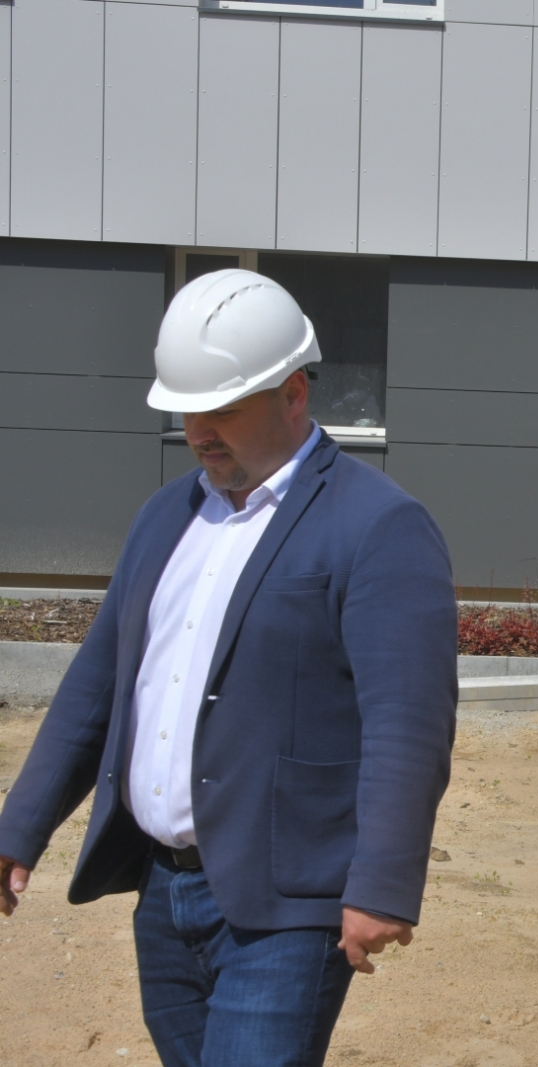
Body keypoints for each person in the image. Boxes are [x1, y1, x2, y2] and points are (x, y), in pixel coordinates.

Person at [0, 269, 458, 1067]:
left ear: (293, 393)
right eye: (187, 410)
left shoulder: (378, 524)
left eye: (223, 409)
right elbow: (100, 684)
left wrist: (383, 880)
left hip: (289, 900)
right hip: (163, 890)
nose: (200, 431)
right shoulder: (165, 515)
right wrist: (20, 827)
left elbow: (408, 722)